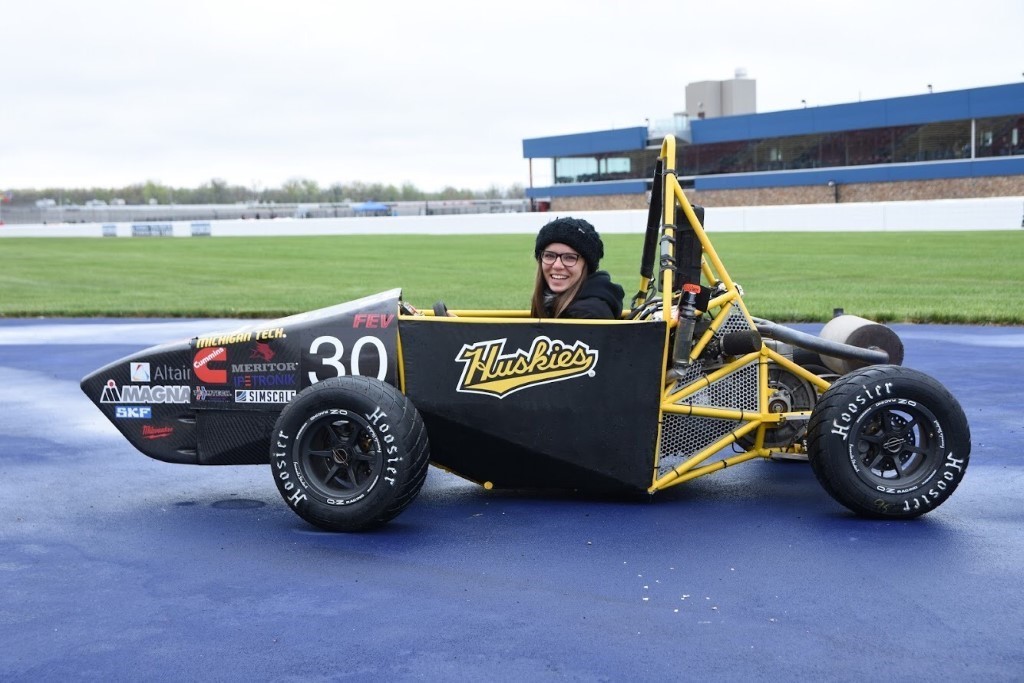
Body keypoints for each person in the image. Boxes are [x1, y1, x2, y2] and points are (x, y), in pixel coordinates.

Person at [530, 217, 624, 319]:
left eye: (569, 257)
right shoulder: (549, 302)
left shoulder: (587, 314)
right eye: (549, 255)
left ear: (587, 265)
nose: (557, 265)